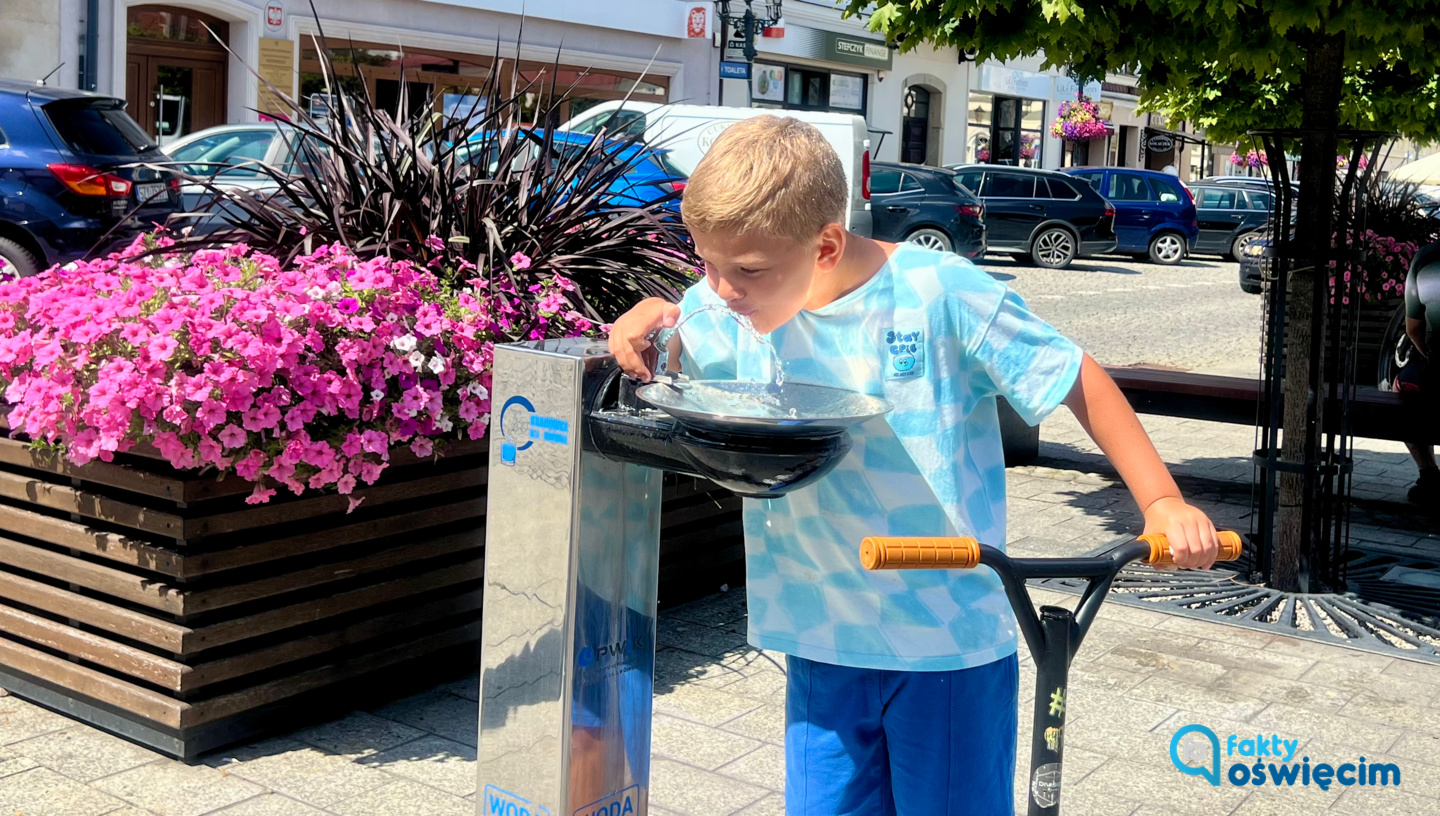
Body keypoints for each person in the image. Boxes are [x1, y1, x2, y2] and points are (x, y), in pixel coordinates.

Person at [609, 116, 1222, 816]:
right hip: (820, 634)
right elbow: (682, 361)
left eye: (744, 270)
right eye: (705, 262)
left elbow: (1072, 375)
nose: (720, 289)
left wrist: (1163, 502)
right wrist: (652, 326)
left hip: (945, 642)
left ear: (826, 244)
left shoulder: (937, 293)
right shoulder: (728, 307)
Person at [1402, 241, 1440, 504]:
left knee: (1400, 388)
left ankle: (1429, 473)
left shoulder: (1427, 258)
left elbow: (1413, 329)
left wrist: (1430, 355)